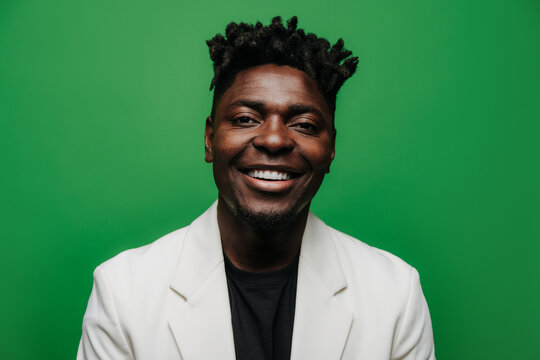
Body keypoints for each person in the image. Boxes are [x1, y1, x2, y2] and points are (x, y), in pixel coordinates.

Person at [77, 16, 435, 360]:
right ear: (209, 138)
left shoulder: (394, 295)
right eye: (246, 119)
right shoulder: (123, 293)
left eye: (305, 124)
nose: (275, 139)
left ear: (331, 149)